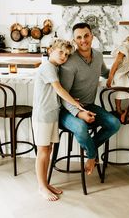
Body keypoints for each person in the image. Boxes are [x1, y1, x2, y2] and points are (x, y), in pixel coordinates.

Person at [59, 22, 121, 176]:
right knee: (81, 127)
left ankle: (90, 150)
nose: (83, 40)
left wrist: (125, 70)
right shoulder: (70, 62)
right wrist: (79, 113)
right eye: (78, 37)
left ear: (92, 36)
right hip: (66, 110)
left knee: (114, 123)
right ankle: (92, 156)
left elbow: (106, 73)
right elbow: (62, 95)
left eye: (86, 35)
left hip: (88, 105)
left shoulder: (98, 56)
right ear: (74, 41)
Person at [32, 39, 85, 201]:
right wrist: (76, 104)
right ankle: (41, 187)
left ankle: (46, 183)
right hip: (43, 116)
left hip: (52, 114)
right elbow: (59, 89)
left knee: (48, 150)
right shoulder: (47, 67)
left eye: (67, 54)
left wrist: (71, 99)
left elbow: (55, 93)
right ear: (50, 50)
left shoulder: (55, 68)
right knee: (42, 151)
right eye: (61, 52)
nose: (64, 56)